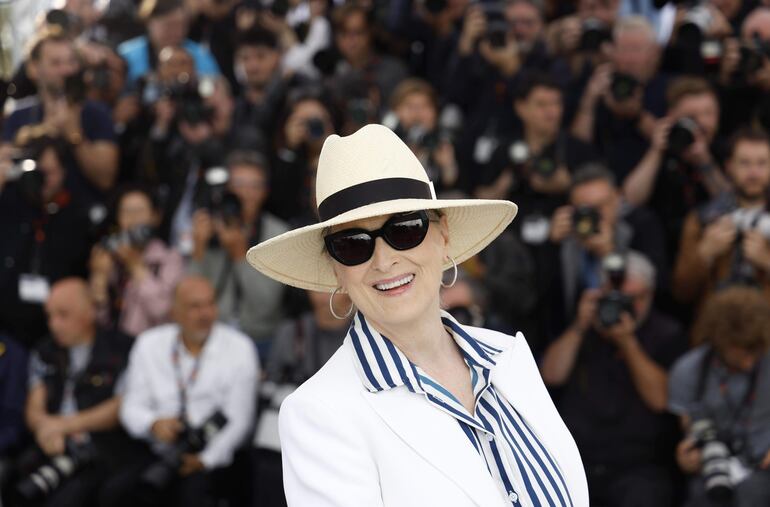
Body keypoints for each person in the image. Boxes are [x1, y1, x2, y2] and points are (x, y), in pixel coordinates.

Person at [245, 124, 587, 506]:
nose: (385, 259)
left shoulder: (509, 356)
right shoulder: (319, 413)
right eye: (352, 244)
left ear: (443, 238)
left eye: (405, 229)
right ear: (336, 270)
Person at [541, 251, 685, 506]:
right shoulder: (584, 327)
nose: (623, 306)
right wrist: (579, 326)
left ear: (650, 294)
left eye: (633, 299)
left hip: (638, 468)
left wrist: (628, 342)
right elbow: (550, 375)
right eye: (615, 297)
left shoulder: (667, 334)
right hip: (578, 461)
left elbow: (661, 399)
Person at [103, 276, 258, 507]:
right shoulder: (149, 344)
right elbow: (131, 406)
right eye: (195, 307)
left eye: (210, 304)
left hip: (209, 456)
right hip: (156, 451)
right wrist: (153, 424)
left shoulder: (239, 348)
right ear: (174, 312)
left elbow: (240, 420)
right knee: (113, 493)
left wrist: (205, 460)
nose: (205, 314)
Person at [3, 278, 134, 507]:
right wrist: (45, 429)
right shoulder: (45, 349)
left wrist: (63, 426)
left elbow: (119, 407)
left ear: (90, 312)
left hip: (101, 449)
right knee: (15, 483)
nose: (54, 324)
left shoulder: (122, 348)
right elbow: (35, 406)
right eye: (49, 316)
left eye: (63, 315)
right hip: (50, 443)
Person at [668, 287, 770, 507]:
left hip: (762, 464)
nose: (749, 361)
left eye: (755, 350)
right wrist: (688, 456)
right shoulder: (689, 371)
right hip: (714, 468)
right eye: (741, 350)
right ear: (720, 340)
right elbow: (689, 430)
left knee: (754, 494)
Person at [189, 150, 289, 355]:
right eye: (239, 184)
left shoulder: (278, 234)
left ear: (265, 192)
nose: (246, 193)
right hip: (212, 335)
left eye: (254, 186)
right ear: (226, 189)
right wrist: (198, 249)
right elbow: (190, 295)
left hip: (260, 339)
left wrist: (239, 255)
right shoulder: (210, 227)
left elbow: (266, 306)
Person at [2, 31, 119, 200]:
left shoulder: (96, 113)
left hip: (82, 215)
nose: (66, 70)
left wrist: (74, 135)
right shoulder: (18, 116)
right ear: (33, 68)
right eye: (55, 63)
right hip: (29, 218)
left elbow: (106, 179)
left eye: (71, 62)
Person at [672, 128, 770, 312]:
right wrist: (705, 253)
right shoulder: (703, 219)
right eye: (744, 163)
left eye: (762, 163)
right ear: (729, 166)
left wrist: (766, 260)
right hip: (716, 328)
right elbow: (682, 293)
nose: (754, 173)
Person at [89, 185, 184, 337]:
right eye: (126, 212)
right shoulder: (112, 257)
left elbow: (162, 312)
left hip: (152, 347)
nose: (132, 219)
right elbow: (97, 319)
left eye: (139, 211)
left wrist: (136, 268)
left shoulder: (170, 258)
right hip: (114, 348)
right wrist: (99, 278)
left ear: (155, 216)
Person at [118, 0, 220, 87]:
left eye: (181, 25)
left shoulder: (200, 54)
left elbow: (214, 85)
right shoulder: (127, 56)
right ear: (149, 23)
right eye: (168, 25)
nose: (175, 32)